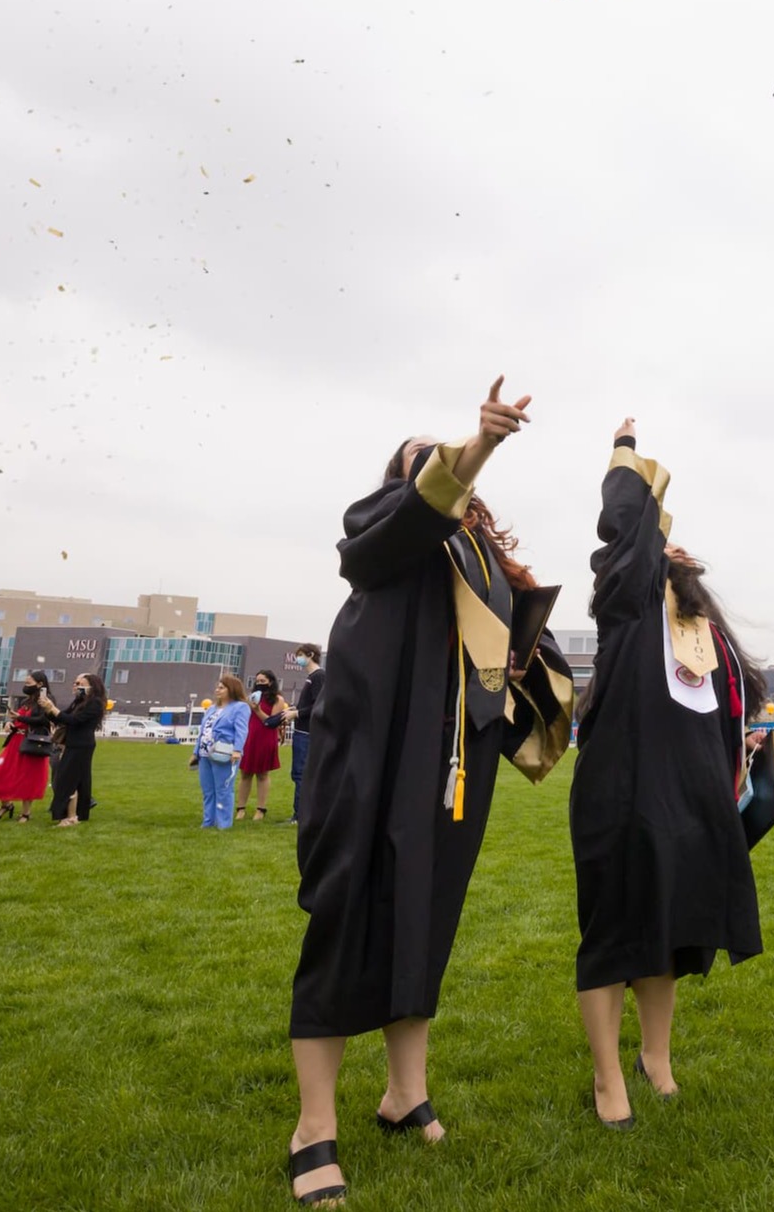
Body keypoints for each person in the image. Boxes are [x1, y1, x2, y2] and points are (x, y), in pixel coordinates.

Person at [286, 378, 576, 1207]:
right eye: (429, 463)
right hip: (375, 757)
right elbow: (403, 525)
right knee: (351, 916)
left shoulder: (483, 560)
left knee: (425, 920)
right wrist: (476, 445)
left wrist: (521, 663)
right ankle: (313, 1128)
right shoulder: (381, 530)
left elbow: (523, 653)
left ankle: (403, 1093)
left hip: (454, 767)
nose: (446, 469)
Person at [570, 418, 766, 1131]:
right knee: (616, 931)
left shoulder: (700, 633)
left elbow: (726, 716)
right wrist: (624, 456)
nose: (669, 549)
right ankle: (606, 1076)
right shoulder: (625, 608)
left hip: (687, 801)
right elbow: (625, 529)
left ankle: (656, 1058)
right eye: (658, 543)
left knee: (667, 933)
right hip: (621, 795)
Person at [0, 672, 57, 822]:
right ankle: (6, 804)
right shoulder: (26, 701)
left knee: (28, 777)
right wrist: (10, 723)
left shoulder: (47, 700)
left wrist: (20, 718)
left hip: (33, 742)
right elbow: (18, 720)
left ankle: (26, 813)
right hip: (15, 741)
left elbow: (43, 720)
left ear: (40, 684)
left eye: (29, 684)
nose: (26, 687)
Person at [49, 674, 107, 827]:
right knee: (76, 780)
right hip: (74, 744)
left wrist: (53, 709)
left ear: (92, 687)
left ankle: (70, 816)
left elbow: (74, 721)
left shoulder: (94, 703)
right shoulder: (79, 702)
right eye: (76, 683)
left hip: (81, 745)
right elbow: (62, 717)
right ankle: (74, 815)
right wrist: (48, 709)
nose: (76, 686)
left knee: (67, 780)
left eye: (81, 684)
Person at [194, 677, 252, 829]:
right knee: (208, 790)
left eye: (222, 688)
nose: (217, 690)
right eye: (217, 687)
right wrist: (196, 753)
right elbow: (203, 731)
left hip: (224, 753)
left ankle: (223, 824)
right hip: (205, 754)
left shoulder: (240, 707)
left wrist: (237, 750)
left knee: (223, 789)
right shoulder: (212, 708)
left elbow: (242, 730)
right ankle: (208, 821)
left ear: (231, 689)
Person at [236, 670, 286, 822]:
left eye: (263, 681)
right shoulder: (250, 698)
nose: (259, 683)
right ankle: (240, 808)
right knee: (245, 773)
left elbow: (272, 722)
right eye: (257, 681)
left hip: (266, 738)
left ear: (271, 682)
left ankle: (261, 809)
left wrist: (257, 710)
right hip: (249, 737)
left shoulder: (278, 699)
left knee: (262, 774)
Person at [287, 645, 324, 824]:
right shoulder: (311, 678)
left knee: (301, 774)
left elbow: (319, 704)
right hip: (301, 732)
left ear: (310, 655)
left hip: (306, 733)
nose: (298, 659)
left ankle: (300, 815)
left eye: (300, 655)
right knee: (298, 774)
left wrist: (298, 713)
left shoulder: (318, 676)